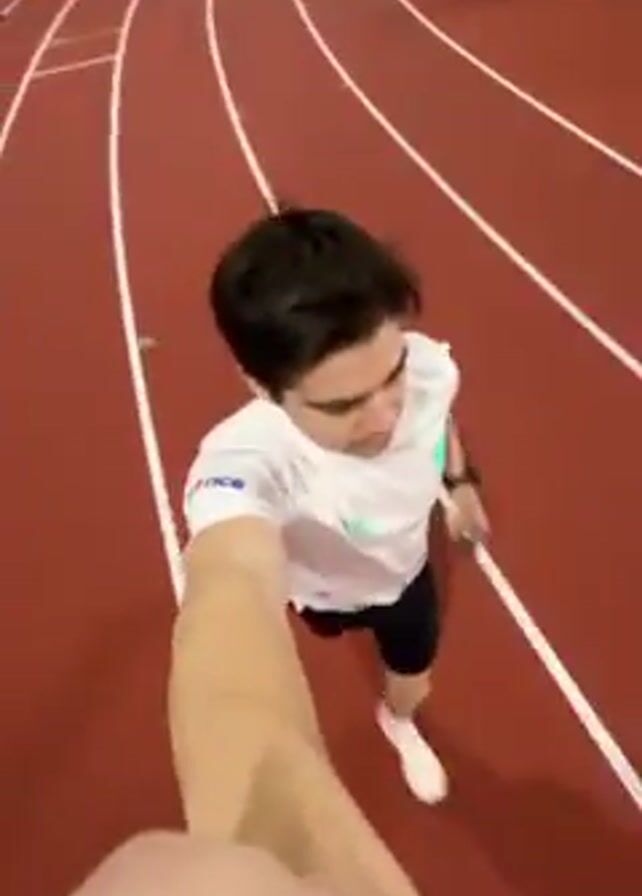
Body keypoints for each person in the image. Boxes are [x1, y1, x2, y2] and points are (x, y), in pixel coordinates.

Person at [168, 207, 489, 893]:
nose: (385, 416)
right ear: (262, 388)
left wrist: (459, 482)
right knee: (322, 627)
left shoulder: (426, 368)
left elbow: (438, 416)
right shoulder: (245, 459)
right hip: (317, 593)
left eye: (391, 377)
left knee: (414, 676)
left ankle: (398, 722)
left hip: (405, 578)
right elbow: (227, 589)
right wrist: (260, 829)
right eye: (342, 407)